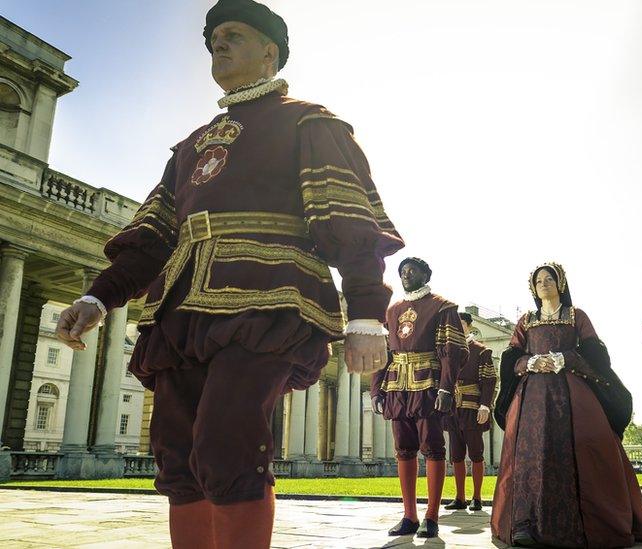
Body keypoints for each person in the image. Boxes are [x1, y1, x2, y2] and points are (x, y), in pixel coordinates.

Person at [54, 1, 403, 547]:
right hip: (182, 312)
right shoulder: (190, 146)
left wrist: (365, 315)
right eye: (213, 37)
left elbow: (347, 221)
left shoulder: (309, 121)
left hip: (270, 302)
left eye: (233, 34)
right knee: (176, 452)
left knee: (226, 442)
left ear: (270, 51)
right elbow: (151, 240)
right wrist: (98, 299)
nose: (218, 43)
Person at [492, 263, 642, 548]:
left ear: (561, 283)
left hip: (572, 395)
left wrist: (565, 358)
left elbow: (597, 354)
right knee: (530, 454)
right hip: (531, 398)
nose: (544, 283)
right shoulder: (526, 320)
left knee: (578, 449)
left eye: (549, 278)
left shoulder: (576, 316)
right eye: (539, 280)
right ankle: (525, 524)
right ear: (533, 287)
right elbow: (512, 358)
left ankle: (579, 525)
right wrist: (530, 362)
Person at [370, 257, 467, 538]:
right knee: (403, 448)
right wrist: (377, 389)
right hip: (397, 386)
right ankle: (409, 515)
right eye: (402, 271)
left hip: (428, 384)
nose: (406, 274)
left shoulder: (442, 307)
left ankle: (432, 516)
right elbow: (383, 353)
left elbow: (453, 350)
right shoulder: (393, 310)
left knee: (433, 447)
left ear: (426, 274)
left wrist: (447, 388)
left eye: (412, 270)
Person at [443, 312, 496, 512]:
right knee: (455, 454)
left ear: (468, 326)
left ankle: (477, 497)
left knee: (476, 454)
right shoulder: (447, 351)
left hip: (473, 408)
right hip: (452, 409)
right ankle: (460, 497)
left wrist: (485, 405)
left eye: (460, 323)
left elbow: (490, 381)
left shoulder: (481, 351)